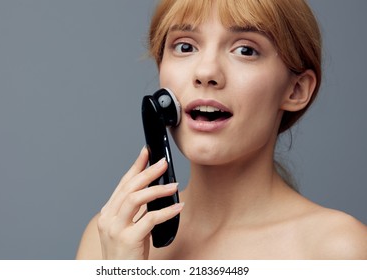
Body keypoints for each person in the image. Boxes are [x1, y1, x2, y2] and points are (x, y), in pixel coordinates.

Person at [76, 0, 367, 259]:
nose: (206, 73)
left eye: (245, 50)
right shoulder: (110, 237)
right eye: (185, 46)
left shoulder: (338, 250)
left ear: (296, 89)